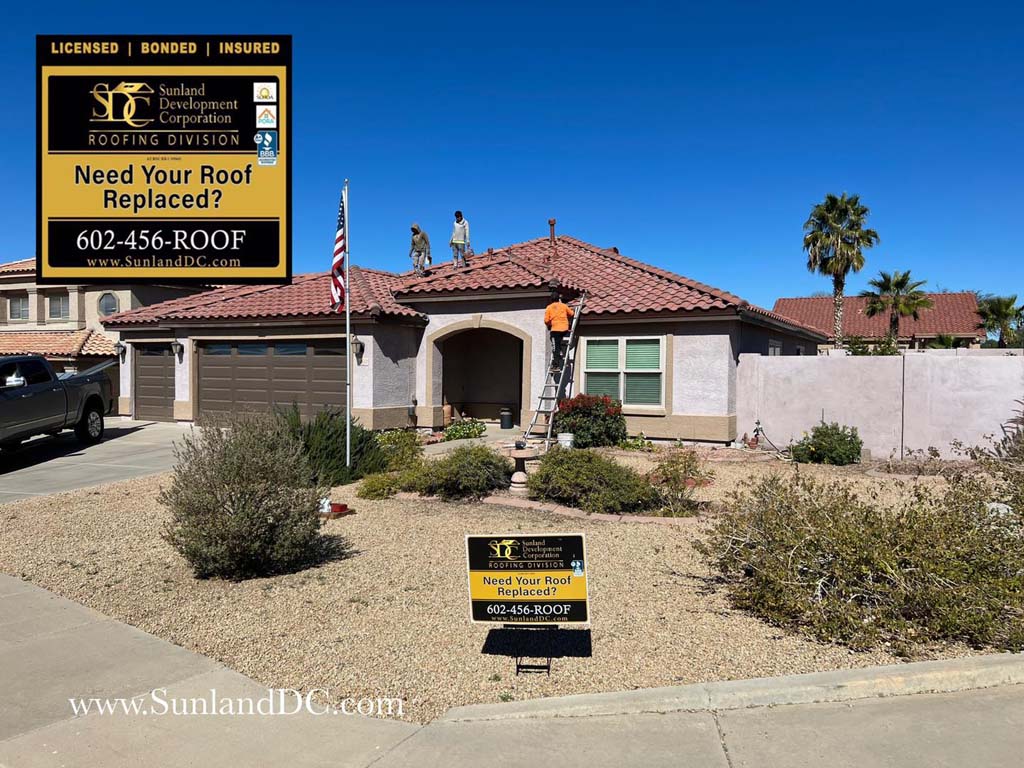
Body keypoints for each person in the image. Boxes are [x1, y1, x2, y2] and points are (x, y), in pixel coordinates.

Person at [544, 291, 575, 369]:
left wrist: (550, 324)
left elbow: (546, 321)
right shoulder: (564, 306)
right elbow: (571, 313)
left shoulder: (549, 307)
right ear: (558, 299)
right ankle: (560, 351)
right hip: (564, 329)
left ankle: (556, 366)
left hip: (555, 330)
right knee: (558, 343)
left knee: (555, 347)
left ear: (551, 299)